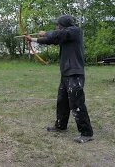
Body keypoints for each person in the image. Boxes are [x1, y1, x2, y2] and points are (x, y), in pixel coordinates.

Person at [24, 15, 93, 143]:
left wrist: (44, 32)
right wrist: (32, 39)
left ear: (63, 26)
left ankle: (86, 132)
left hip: (75, 74)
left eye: (58, 25)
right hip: (66, 73)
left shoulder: (74, 31)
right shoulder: (64, 36)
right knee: (62, 101)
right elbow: (51, 40)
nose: (56, 26)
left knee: (77, 103)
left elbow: (55, 35)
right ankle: (61, 125)